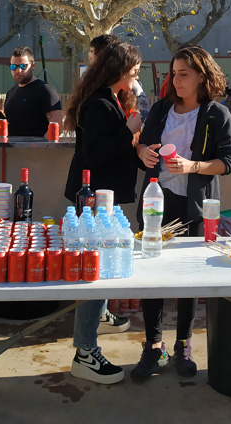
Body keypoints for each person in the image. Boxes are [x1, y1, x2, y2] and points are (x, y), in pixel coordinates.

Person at [133, 45, 231, 381]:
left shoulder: (216, 114)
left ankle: (183, 344)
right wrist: (144, 152)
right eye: (173, 73)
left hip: (193, 205)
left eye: (183, 74)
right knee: (151, 276)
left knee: (188, 279)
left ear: (201, 77)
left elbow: (228, 162)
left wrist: (193, 166)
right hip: (156, 200)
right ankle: (153, 346)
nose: (175, 80)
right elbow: (142, 143)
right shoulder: (162, 109)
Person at [63, 42, 143, 385]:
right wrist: (129, 129)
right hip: (92, 199)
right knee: (93, 274)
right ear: (119, 70)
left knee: (100, 270)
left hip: (100, 198)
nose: (137, 77)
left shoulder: (108, 98)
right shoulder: (99, 104)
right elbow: (95, 155)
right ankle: (85, 351)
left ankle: (101, 315)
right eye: (134, 71)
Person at [89, 34, 151, 122]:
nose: (90, 57)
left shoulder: (132, 87)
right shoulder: (93, 90)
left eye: (92, 51)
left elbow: (145, 117)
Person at [3, 46, 62, 136]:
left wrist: (39, 148)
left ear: (33, 65)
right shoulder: (11, 93)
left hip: (36, 149)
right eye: (13, 66)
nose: (18, 70)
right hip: (12, 149)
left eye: (23, 66)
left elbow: (57, 128)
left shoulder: (45, 90)